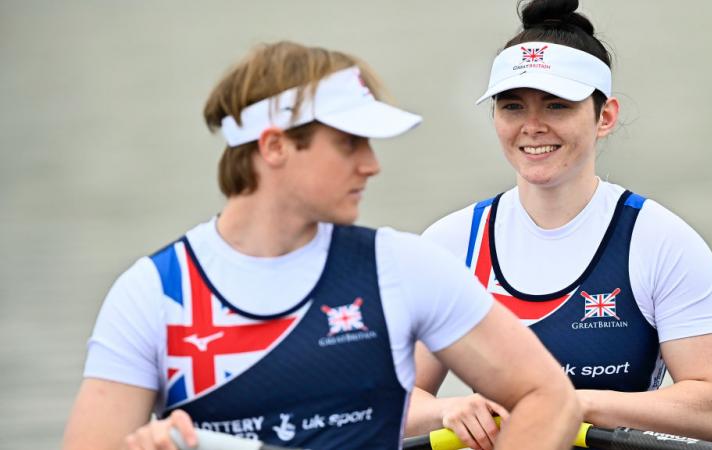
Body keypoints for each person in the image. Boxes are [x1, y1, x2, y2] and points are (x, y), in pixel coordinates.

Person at [61, 41, 580, 450]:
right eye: (350, 143)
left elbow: (548, 397)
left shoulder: (399, 267)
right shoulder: (154, 295)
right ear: (275, 146)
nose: (371, 164)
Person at [406, 1, 712, 449]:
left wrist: (569, 404)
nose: (532, 126)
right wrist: (448, 410)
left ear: (606, 117)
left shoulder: (661, 241)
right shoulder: (449, 244)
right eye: (513, 107)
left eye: (557, 106)